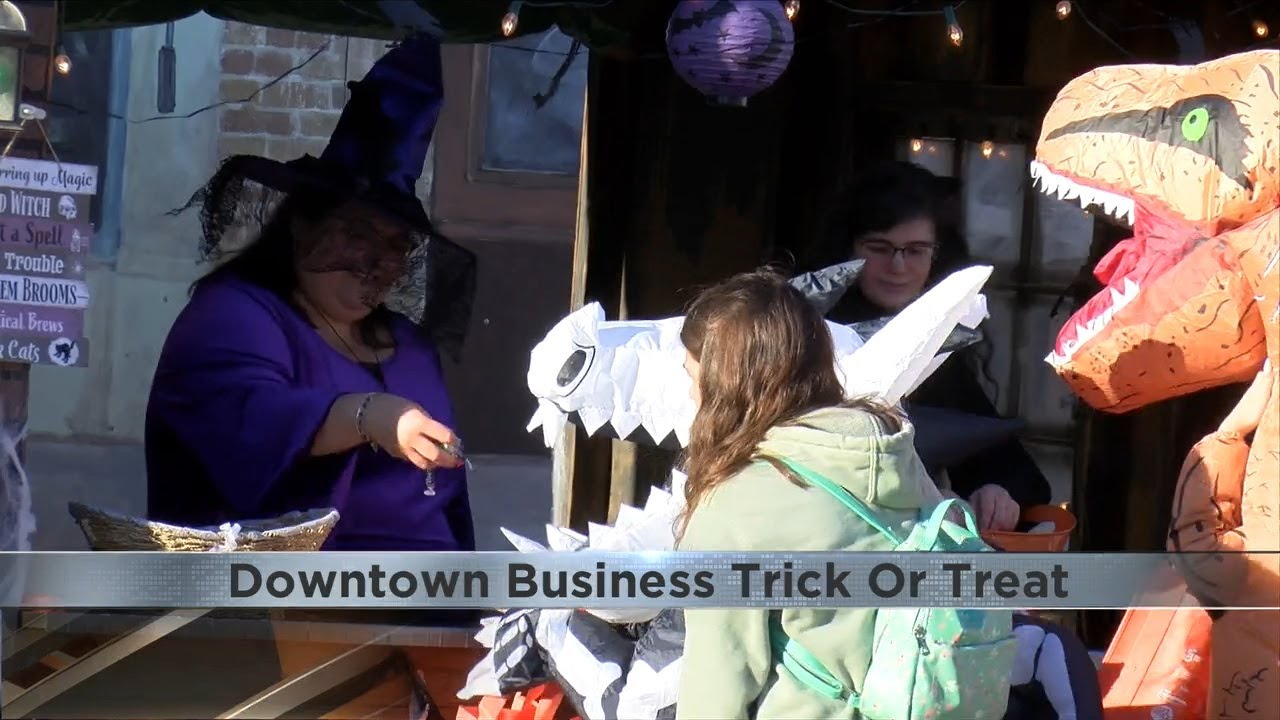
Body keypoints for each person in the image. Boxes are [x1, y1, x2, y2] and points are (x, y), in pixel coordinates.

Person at [145, 33, 479, 553]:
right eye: (357, 233)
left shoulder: (410, 345)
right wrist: (371, 417)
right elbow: (246, 425)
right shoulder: (233, 314)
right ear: (302, 225)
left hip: (430, 605)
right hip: (278, 608)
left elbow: (451, 503)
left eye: (395, 245)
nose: (377, 260)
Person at [674, 269, 946, 720]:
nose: (689, 393)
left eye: (694, 376)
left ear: (727, 385)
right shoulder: (890, 453)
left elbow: (716, 688)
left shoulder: (736, 507)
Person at [812, 160, 1051, 531]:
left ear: (937, 254)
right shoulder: (807, 332)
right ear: (847, 248)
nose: (898, 265)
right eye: (879, 247)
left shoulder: (939, 340)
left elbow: (1015, 471)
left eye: (916, 250)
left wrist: (997, 491)